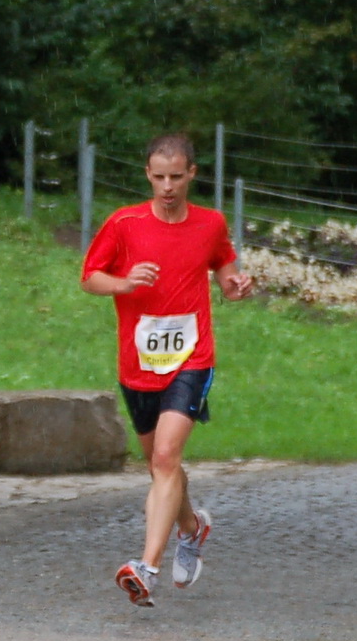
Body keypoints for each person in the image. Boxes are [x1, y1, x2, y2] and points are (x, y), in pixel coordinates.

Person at [80, 132, 254, 607]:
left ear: (192, 174)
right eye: (159, 177)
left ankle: (146, 567)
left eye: (176, 176)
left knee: (164, 458)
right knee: (161, 465)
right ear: (148, 175)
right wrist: (123, 282)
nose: (168, 186)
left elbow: (226, 272)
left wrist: (236, 288)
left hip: (191, 359)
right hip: (138, 365)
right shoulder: (125, 223)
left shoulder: (210, 223)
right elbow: (90, 278)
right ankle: (192, 528)